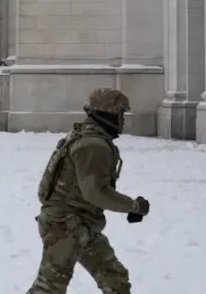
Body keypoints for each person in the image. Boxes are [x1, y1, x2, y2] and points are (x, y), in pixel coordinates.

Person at [25, 87, 150, 294]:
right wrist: (134, 206)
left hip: (81, 224)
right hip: (65, 226)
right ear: (108, 114)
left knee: (113, 276)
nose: (123, 120)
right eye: (120, 114)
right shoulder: (93, 145)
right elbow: (96, 192)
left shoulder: (85, 135)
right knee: (49, 288)